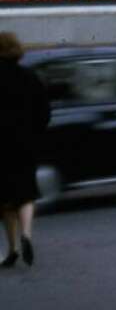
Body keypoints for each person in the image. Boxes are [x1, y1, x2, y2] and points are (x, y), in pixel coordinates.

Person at [0, 32, 50, 268]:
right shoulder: (30, 76)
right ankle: (27, 235)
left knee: (5, 200)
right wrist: (35, 134)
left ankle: (11, 251)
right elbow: (44, 112)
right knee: (27, 193)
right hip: (26, 143)